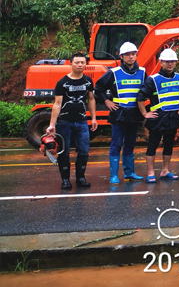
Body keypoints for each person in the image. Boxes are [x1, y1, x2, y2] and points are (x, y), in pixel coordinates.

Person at [95, 41, 145, 184]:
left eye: (133, 54)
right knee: (116, 144)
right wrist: (107, 101)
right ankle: (114, 175)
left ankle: (129, 173)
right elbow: (98, 88)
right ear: (121, 57)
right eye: (127, 54)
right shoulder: (114, 72)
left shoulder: (142, 72)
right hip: (119, 113)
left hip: (134, 113)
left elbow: (148, 90)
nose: (131, 57)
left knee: (130, 144)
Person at [47, 53, 97, 189]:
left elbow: (91, 99)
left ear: (86, 64)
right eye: (77, 62)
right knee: (64, 152)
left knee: (84, 151)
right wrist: (52, 124)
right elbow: (57, 104)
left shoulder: (88, 81)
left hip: (82, 122)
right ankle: (65, 180)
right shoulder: (62, 83)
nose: (80, 65)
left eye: (82, 62)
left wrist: (93, 118)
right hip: (64, 122)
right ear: (71, 64)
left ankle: (81, 178)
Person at [136, 48, 179, 183]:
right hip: (158, 117)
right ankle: (150, 173)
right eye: (167, 61)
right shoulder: (153, 79)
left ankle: (165, 171)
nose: (170, 64)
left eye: (172, 61)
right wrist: (145, 114)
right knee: (153, 144)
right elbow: (140, 97)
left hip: (173, 117)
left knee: (169, 144)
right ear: (161, 62)